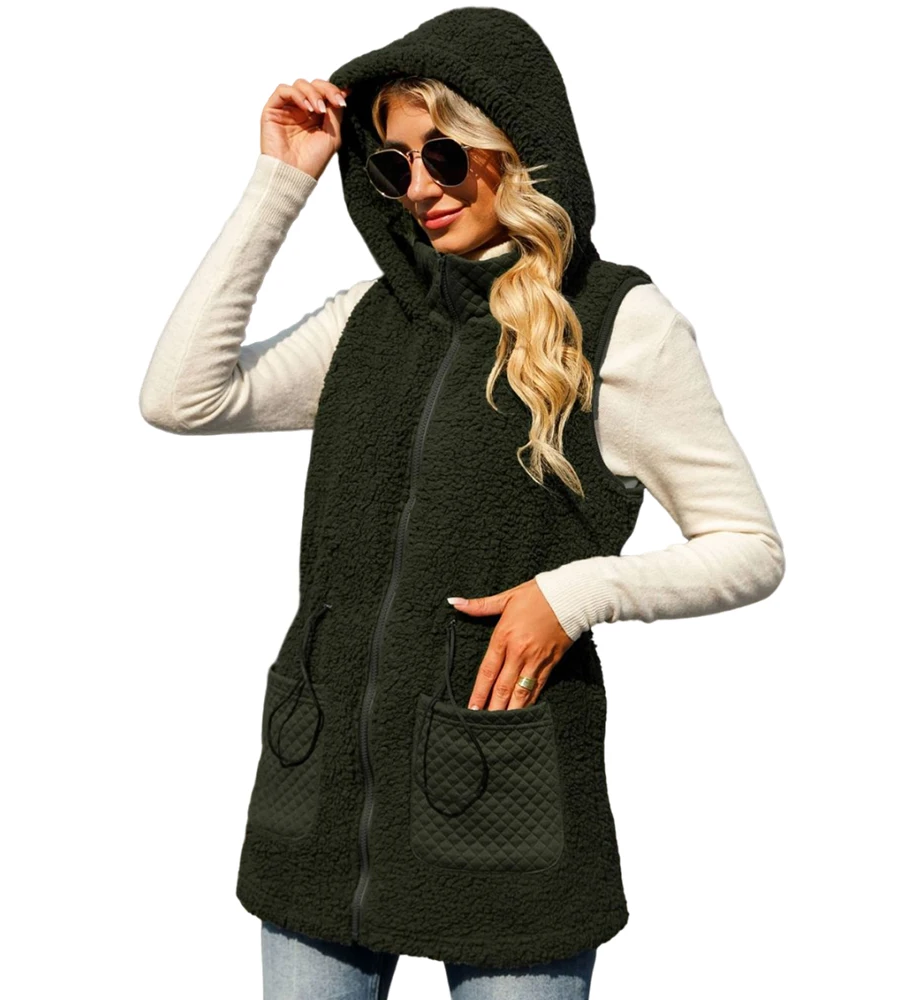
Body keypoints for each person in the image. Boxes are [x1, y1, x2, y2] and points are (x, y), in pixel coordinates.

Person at [140, 9, 785, 999]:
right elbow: (180, 397)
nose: (421, 189)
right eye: (393, 165)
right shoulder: (367, 320)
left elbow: (746, 544)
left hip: (504, 798)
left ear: (515, 148)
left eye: (444, 154)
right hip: (321, 802)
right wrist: (281, 183)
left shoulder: (619, 324)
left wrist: (574, 595)